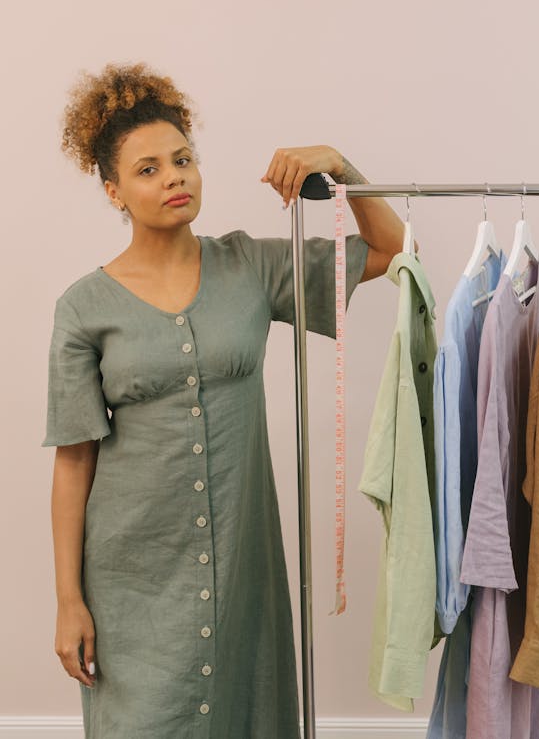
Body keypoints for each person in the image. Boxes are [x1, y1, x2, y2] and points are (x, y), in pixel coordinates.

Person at [42, 62, 413, 739]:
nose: (174, 177)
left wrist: (342, 167)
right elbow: (72, 463)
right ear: (114, 191)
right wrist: (69, 600)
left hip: (243, 569)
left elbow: (393, 249)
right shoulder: (83, 308)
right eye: (148, 169)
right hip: (131, 580)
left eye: (183, 160)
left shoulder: (253, 268)